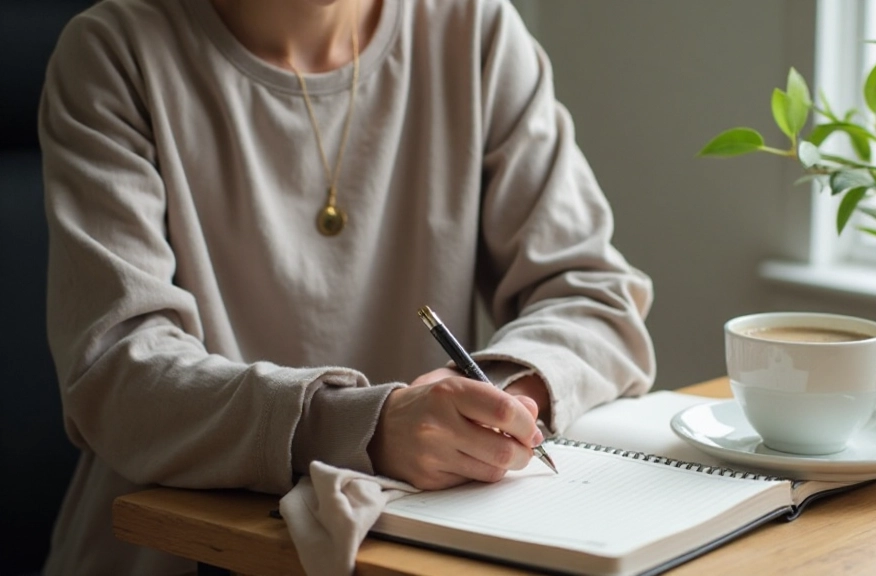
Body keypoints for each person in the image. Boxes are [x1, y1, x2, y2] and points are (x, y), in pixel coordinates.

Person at [38, 0, 657, 573]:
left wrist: (489, 403)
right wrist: (369, 426)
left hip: (415, 549)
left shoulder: (475, 29)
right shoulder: (115, 51)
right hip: (177, 551)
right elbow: (117, 375)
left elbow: (594, 294)